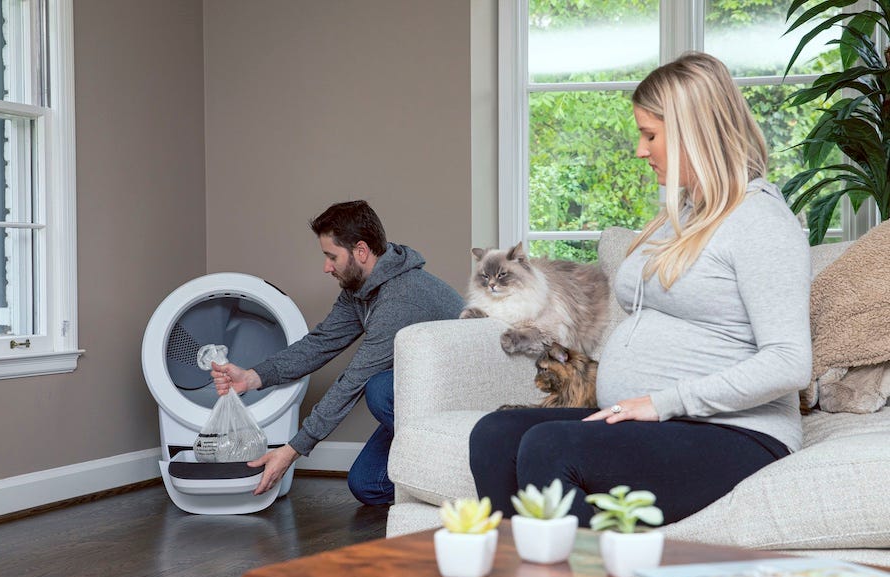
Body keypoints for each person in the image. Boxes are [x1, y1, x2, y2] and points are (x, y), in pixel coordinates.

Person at [470, 52, 812, 526]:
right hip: (663, 423)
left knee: (550, 446)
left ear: (696, 132)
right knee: (494, 434)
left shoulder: (759, 221)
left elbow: (789, 362)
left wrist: (661, 402)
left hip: (736, 433)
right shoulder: (686, 218)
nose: (639, 149)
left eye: (650, 135)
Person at [211, 200, 464, 505]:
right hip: (426, 402)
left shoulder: (402, 299)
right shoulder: (359, 289)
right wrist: (253, 377)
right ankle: (449, 479)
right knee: (367, 484)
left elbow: (353, 381)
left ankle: (467, 468)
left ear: (360, 251)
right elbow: (320, 343)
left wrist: (292, 451)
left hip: (462, 405)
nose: (326, 267)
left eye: (332, 256)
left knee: (380, 388)